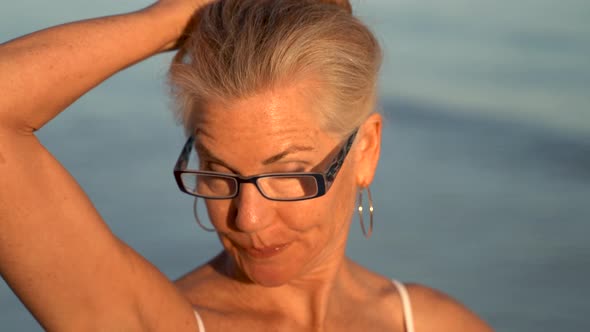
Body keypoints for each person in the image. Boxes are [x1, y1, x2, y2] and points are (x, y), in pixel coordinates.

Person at [0, 0, 493, 330]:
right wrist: (180, 17)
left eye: (287, 173)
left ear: (365, 151)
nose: (246, 218)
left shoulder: (431, 323)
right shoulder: (164, 321)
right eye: (218, 171)